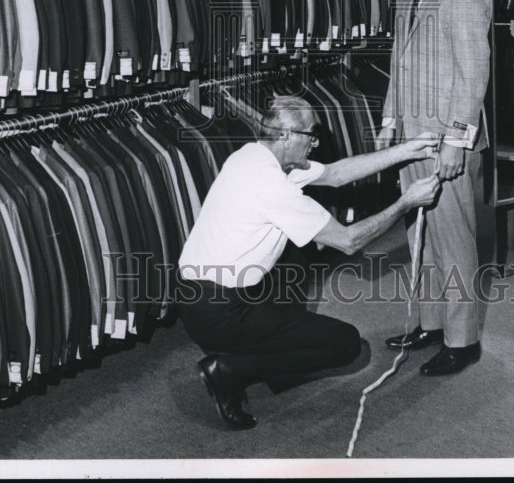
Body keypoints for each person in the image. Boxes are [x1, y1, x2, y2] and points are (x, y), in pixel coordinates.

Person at [175, 95, 440, 430]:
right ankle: (230, 369)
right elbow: (348, 241)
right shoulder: (272, 186)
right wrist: (405, 202)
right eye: (311, 135)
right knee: (344, 344)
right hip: (217, 312)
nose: (315, 143)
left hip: (196, 294)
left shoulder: (254, 156)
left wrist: (407, 150)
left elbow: (335, 174)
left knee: (298, 251)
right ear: (286, 135)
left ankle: (276, 333)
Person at [377, 0, 492, 377]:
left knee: (454, 239)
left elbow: (473, 74)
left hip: (447, 138)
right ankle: (430, 321)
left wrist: (455, 142)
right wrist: (388, 124)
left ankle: (462, 340)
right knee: (419, 235)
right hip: (410, 135)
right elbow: (398, 66)